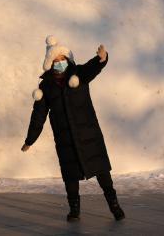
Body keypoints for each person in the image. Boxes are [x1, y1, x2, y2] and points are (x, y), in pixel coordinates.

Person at [22, 35, 125, 222]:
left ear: (68, 59)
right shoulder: (46, 86)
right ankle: (74, 210)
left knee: (102, 173)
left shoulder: (78, 74)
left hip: (88, 134)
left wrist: (102, 58)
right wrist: (30, 140)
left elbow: (93, 68)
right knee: (70, 177)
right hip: (65, 138)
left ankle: (114, 205)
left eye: (63, 59)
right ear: (50, 63)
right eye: (56, 60)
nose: (60, 63)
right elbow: (38, 115)